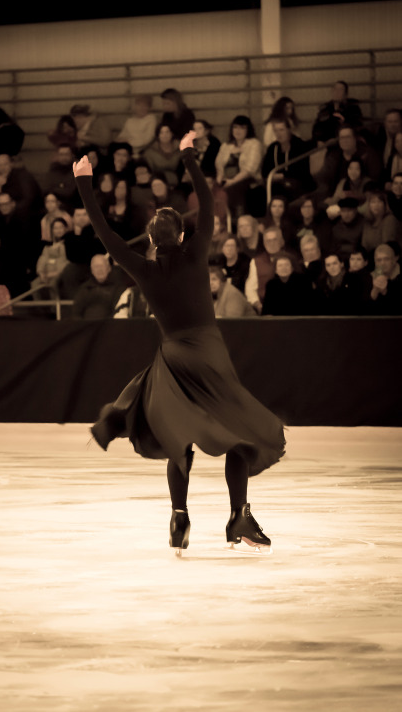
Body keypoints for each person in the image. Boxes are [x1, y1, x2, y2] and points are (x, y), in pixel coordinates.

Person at [72, 131, 285, 555]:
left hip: (172, 360)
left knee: (178, 436)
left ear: (151, 242)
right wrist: (188, 155)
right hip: (209, 354)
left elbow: (104, 232)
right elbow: (207, 203)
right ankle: (238, 514)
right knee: (239, 432)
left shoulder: (143, 270)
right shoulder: (196, 253)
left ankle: (179, 517)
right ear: (184, 238)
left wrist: (84, 182)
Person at [214, 115, 263, 218]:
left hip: (247, 179)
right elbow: (219, 164)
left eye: (242, 128)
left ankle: (238, 221)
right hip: (226, 179)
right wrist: (220, 178)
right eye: (235, 127)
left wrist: (232, 181)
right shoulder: (226, 146)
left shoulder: (254, 144)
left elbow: (250, 169)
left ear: (248, 130)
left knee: (234, 190)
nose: (238, 131)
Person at [261, 119, 315, 204]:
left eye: (281, 130)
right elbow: (265, 171)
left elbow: (302, 171)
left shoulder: (300, 145)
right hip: (275, 182)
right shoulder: (273, 148)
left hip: (299, 182)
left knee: (278, 189)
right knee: (256, 192)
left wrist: (281, 175)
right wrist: (272, 176)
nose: (278, 134)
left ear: (289, 130)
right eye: (276, 130)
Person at [72, 254, 126, 319]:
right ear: (92, 270)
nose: (99, 270)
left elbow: (119, 313)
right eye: (96, 266)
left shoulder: (118, 288)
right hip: (86, 327)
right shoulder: (85, 289)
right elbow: (76, 313)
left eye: (102, 266)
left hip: (110, 326)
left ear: (109, 268)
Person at [143, 124, 182, 188]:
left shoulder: (181, 149)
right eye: (161, 133)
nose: (165, 135)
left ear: (172, 134)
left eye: (167, 132)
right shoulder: (150, 152)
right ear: (158, 135)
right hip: (157, 184)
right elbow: (149, 172)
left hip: (179, 184)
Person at [361, 190, 398, 257]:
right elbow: (364, 246)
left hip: (384, 258)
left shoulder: (390, 219)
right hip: (369, 258)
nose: (376, 205)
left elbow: (387, 247)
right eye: (373, 202)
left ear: (384, 204)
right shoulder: (367, 222)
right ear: (369, 205)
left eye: (379, 202)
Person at [369, 243, 402, 314]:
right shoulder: (370, 277)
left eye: (386, 259)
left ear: (393, 260)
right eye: (379, 260)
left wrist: (385, 291)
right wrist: (375, 291)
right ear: (375, 262)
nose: (382, 263)